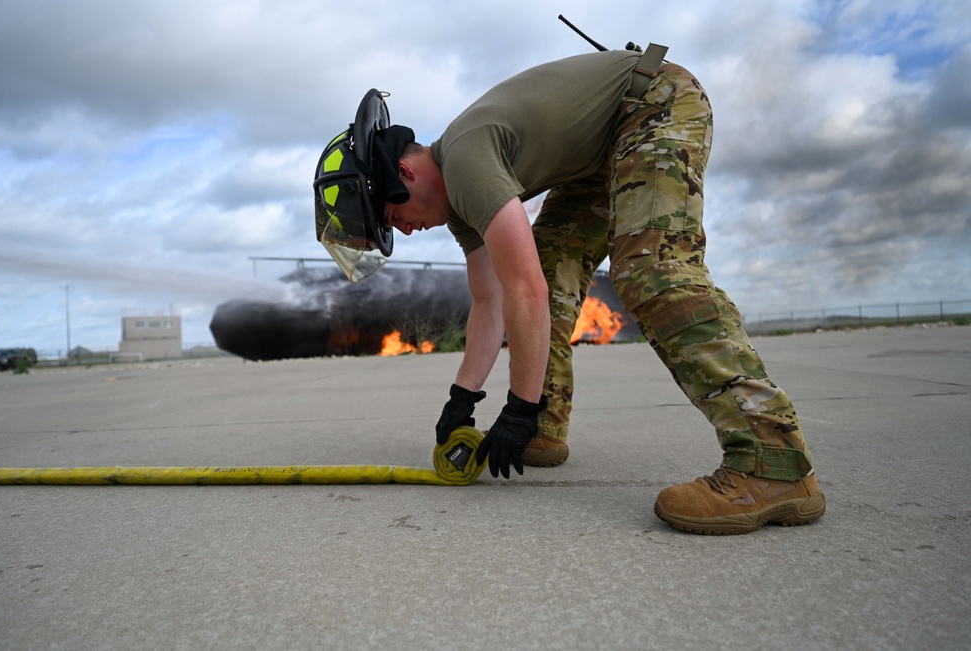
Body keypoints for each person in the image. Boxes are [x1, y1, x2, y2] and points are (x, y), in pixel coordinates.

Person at [313, 45, 825, 535]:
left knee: (652, 270)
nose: (403, 231)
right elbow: (492, 302)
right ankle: (544, 425)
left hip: (653, 105)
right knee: (554, 266)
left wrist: (515, 406)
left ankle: (772, 459)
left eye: (392, 218)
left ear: (404, 174)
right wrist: (462, 399)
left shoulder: (466, 160)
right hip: (600, 151)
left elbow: (523, 291)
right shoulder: (459, 207)